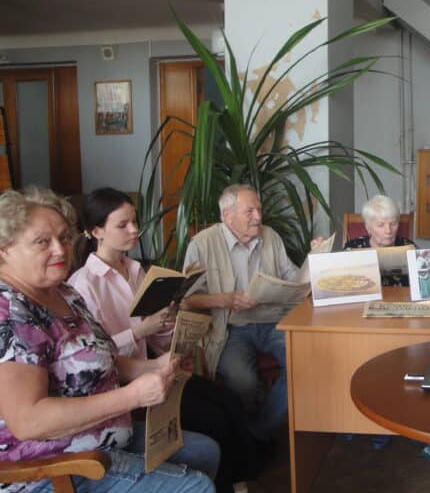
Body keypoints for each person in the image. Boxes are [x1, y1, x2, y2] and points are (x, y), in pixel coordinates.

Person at [0, 187, 216, 493]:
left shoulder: (64, 293)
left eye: (64, 237)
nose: (60, 250)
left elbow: (100, 358)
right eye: (42, 242)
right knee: (197, 486)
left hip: (104, 436)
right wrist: (132, 397)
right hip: (52, 466)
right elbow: (28, 420)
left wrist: (155, 365)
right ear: (4, 249)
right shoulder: (10, 312)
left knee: (206, 452)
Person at [69, 188, 259, 493]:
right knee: (212, 418)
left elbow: (156, 332)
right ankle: (224, 485)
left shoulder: (136, 270)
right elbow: (94, 354)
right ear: (96, 231)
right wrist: (140, 331)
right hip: (124, 383)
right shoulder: (84, 285)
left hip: (157, 367)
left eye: (135, 221)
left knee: (229, 401)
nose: (134, 230)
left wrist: (172, 329)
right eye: (122, 225)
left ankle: (239, 482)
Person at [180, 184, 322, 441]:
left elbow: (294, 279)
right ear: (227, 215)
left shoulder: (270, 236)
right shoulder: (202, 244)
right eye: (250, 211)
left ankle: (256, 433)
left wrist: (315, 259)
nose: (258, 217)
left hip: (274, 321)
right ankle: (245, 433)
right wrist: (224, 299)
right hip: (231, 328)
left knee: (305, 363)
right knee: (242, 381)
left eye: (259, 209)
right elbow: (187, 300)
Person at [343, 194, 415, 286]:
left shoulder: (410, 248)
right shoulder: (352, 248)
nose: (388, 231)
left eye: (393, 223)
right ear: (368, 227)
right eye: (380, 225)